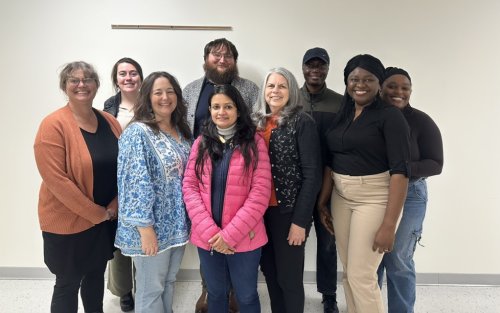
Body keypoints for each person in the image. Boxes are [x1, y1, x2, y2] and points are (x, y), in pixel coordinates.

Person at [324, 54, 411, 313]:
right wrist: (322, 202)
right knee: (349, 273)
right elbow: (333, 159)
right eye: (354, 79)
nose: (360, 84)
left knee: (362, 276)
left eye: (368, 79)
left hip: (374, 197)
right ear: (347, 82)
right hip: (341, 197)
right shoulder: (345, 112)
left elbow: (400, 173)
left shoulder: (390, 117)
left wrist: (388, 225)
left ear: (379, 83)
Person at [34, 61, 121, 313]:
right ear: (65, 86)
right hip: (69, 223)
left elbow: (124, 168)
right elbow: (57, 181)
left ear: (96, 85)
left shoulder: (109, 121)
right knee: (68, 283)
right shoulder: (53, 125)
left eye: (88, 79)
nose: (82, 84)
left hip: (106, 219)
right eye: (74, 80)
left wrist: (113, 206)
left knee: (96, 276)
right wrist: (98, 214)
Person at [183, 37, 259, 313]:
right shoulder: (191, 90)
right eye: (216, 55)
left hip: (240, 172)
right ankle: (211, 291)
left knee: (246, 292)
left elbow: (259, 189)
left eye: (228, 56)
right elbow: (183, 130)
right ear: (206, 60)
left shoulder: (250, 90)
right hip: (204, 176)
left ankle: (235, 296)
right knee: (214, 281)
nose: (222, 60)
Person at [114, 71, 192, 313]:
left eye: (170, 91)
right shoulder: (137, 132)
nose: (165, 97)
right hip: (150, 228)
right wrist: (145, 229)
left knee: (168, 283)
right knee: (150, 289)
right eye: (158, 92)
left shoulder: (181, 132)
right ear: (147, 97)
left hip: (176, 226)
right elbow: (134, 183)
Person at [254, 67, 322, 313]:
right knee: (270, 275)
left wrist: (300, 222)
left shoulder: (302, 122)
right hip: (259, 214)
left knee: (289, 279)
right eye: (271, 86)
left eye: (282, 86)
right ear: (264, 91)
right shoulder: (256, 123)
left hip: (289, 213)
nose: (275, 91)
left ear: (291, 91)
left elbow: (312, 175)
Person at [377, 67, 444, 313]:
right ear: (381, 88)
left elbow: (436, 164)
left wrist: (401, 168)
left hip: (411, 194)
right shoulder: (370, 117)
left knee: (398, 259)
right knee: (372, 260)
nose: (399, 91)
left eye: (405, 87)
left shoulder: (421, 121)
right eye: (392, 86)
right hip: (374, 194)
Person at [300, 47, 342, 313]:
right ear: (302, 67)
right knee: (294, 241)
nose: (315, 69)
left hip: (331, 184)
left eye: (321, 65)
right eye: (310, 64)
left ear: (328, 68)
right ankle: (292, 291)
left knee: (328, 243)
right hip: (300, 185)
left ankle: (329, 295)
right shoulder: (292, 100)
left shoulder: (340, 102)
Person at [103, 57, 143, 312]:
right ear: (116, 79)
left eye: (133, 73)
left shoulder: (151, 103)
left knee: (145, 236)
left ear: (141, 77)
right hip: (117, 180)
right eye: (122, 74)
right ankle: (124, 291)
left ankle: (147, 287)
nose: (128, 78)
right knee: (120, 241)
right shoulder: (109, 108)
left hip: (144, 180)